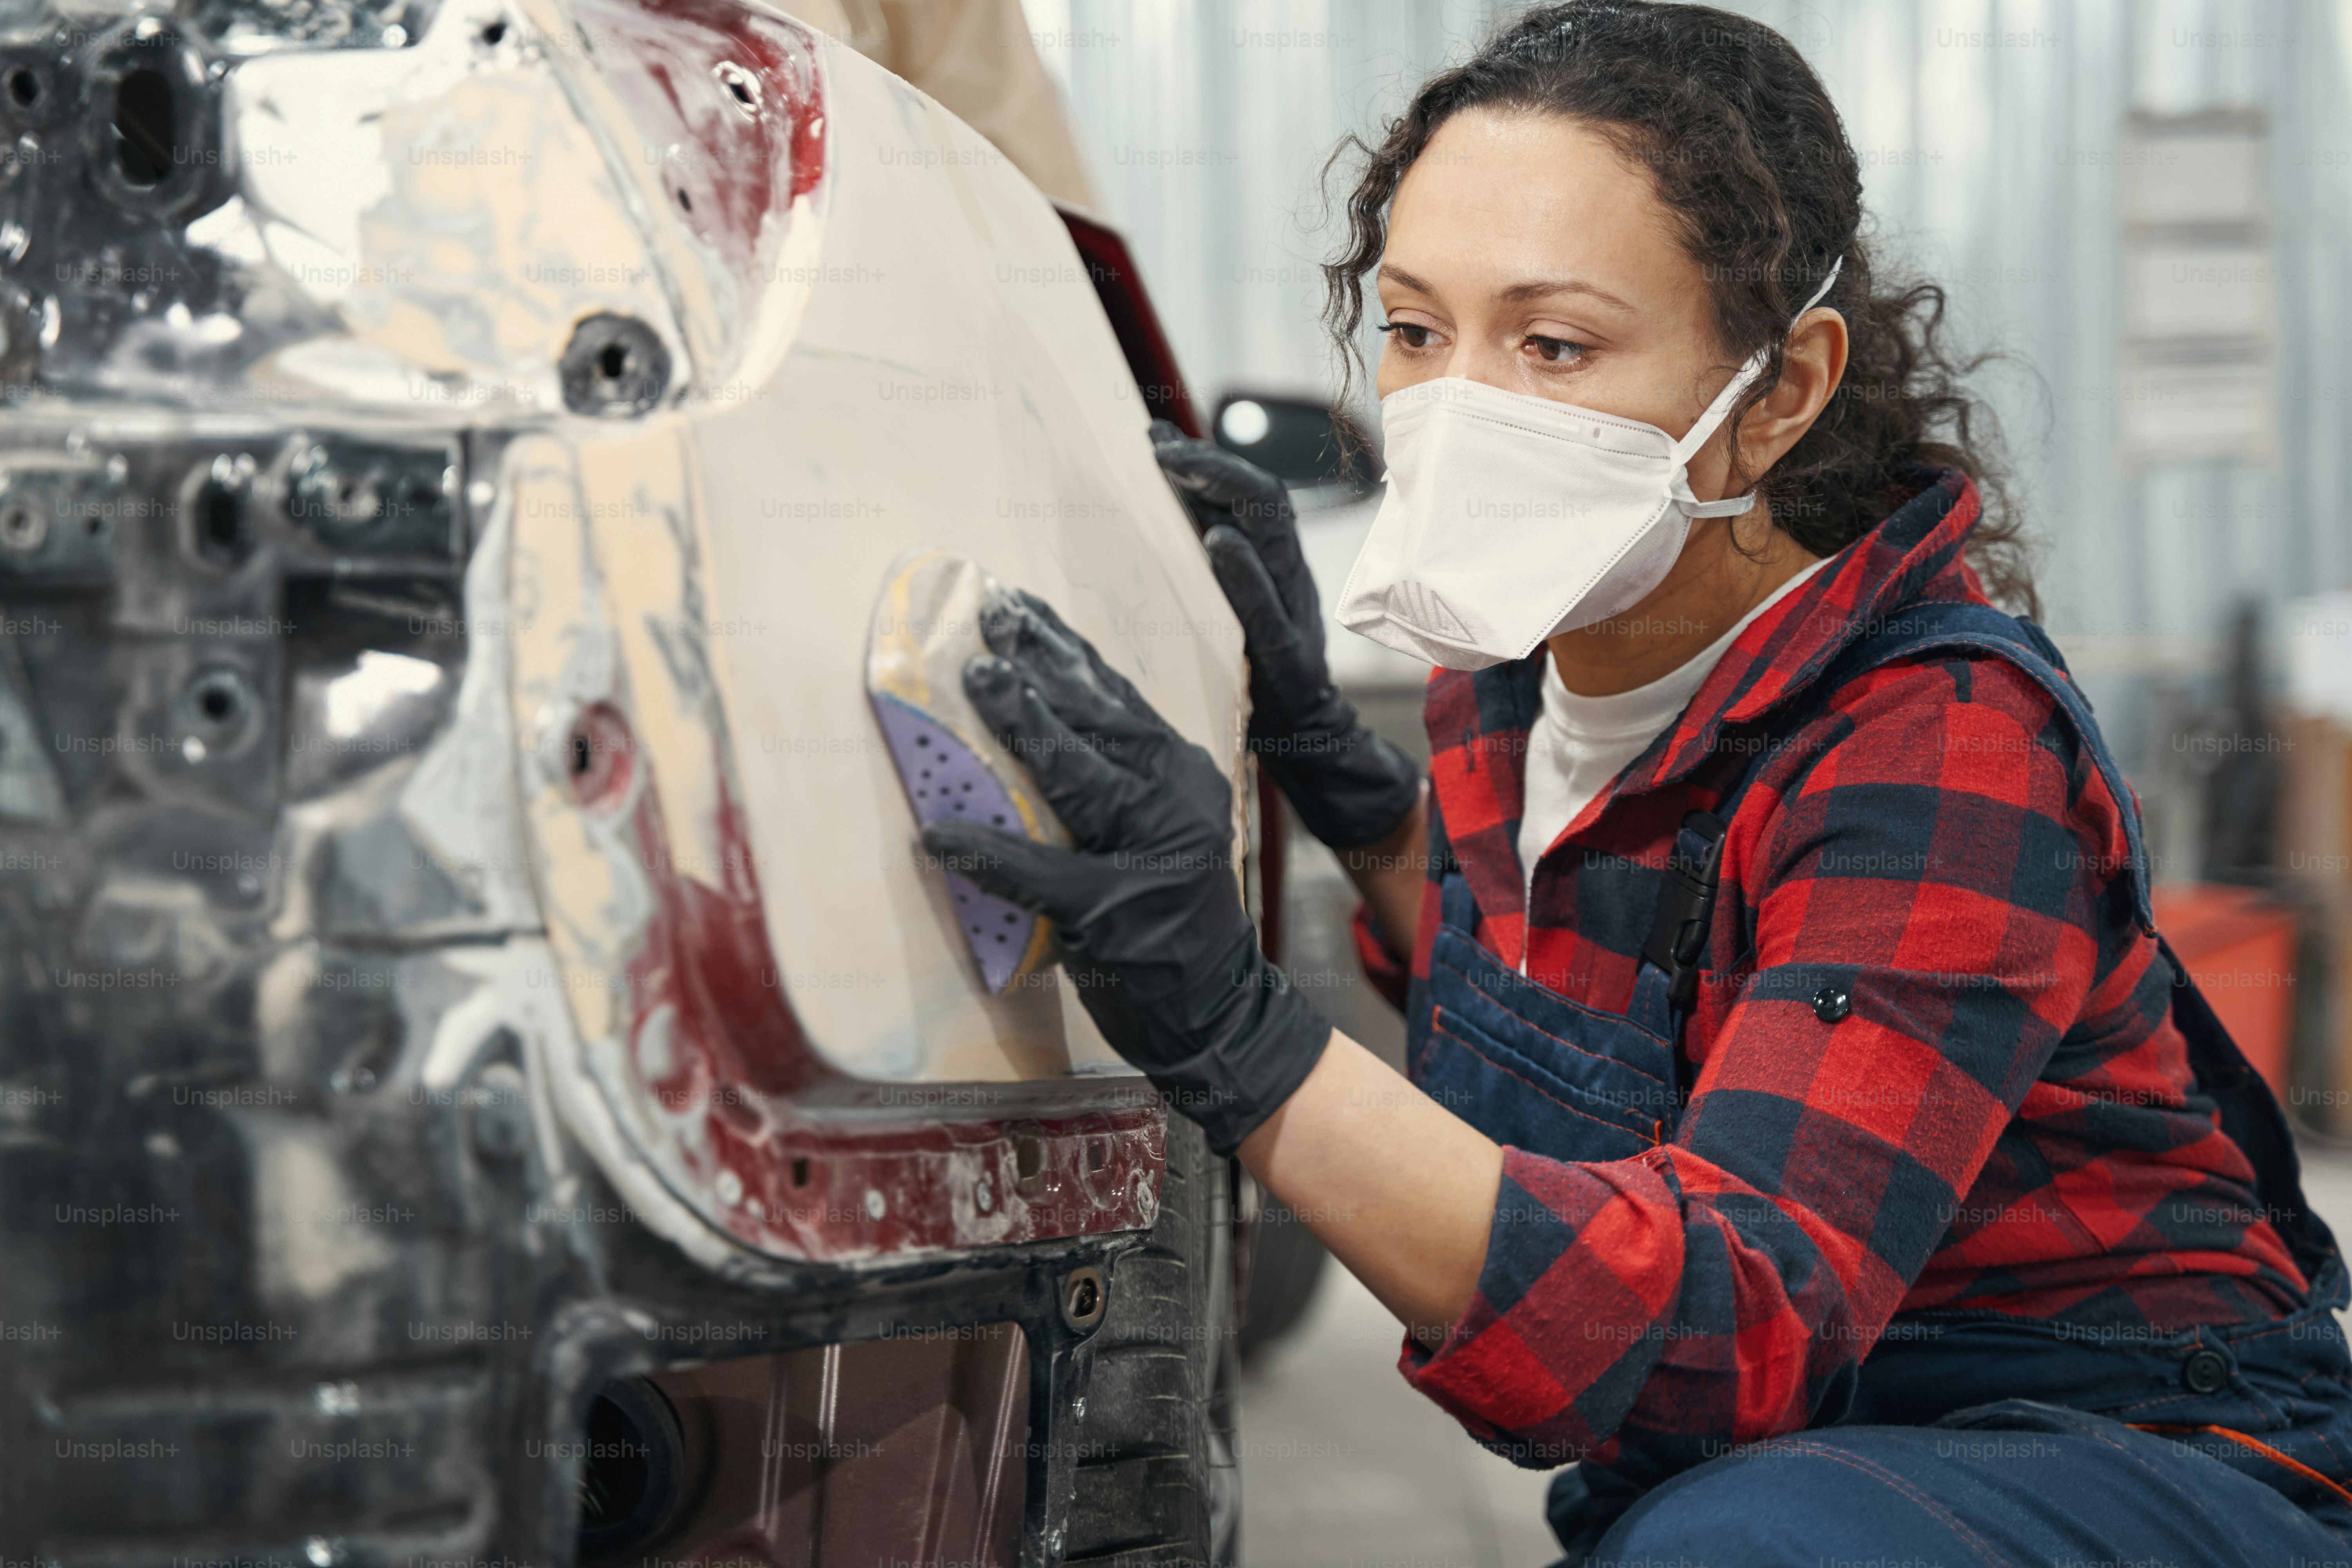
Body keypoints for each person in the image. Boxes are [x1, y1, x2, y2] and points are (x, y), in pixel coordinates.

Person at [918, 3, 2352, 1562]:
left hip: (2111, 1435)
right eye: (1414, 330)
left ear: (1784, 390)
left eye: (1554, 344)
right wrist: (1338, 770)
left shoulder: (1939, 746)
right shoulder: (1519, 665)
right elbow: (1540, 982)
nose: (1459, 408)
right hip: (1789, 1447)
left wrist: (1235, 1038)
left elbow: (1740, 1315)